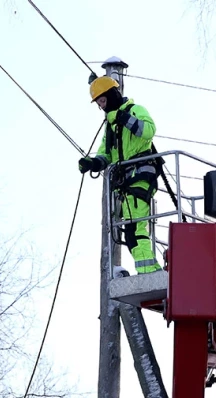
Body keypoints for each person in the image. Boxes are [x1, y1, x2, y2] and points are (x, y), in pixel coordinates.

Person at [79, 76, 162, 275]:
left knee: (136, 228)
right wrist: (94, 163)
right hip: (124, 182)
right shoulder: (111, 126)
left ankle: (150, 273)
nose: (101, 106)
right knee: (130, 231)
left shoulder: (135, 110)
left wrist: (125, 119)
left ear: (111, 95)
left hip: (141, 174)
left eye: (102, 101)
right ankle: (149, 270)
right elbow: (105, 153)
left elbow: (149, 130)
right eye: (98, 103)